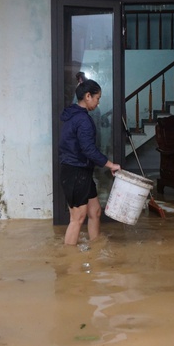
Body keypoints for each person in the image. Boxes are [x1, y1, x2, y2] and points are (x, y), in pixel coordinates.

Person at [59, 79, 121, 245]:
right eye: (97, 98)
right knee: (77, 219)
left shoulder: (73, 115)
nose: (98, 101)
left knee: (95, 211)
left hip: (81, 172)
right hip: (75, 172)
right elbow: (88, 149)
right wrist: (110, 164)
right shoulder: (83, 120)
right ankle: (69, 262)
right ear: (88, 96)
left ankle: (95, 248)